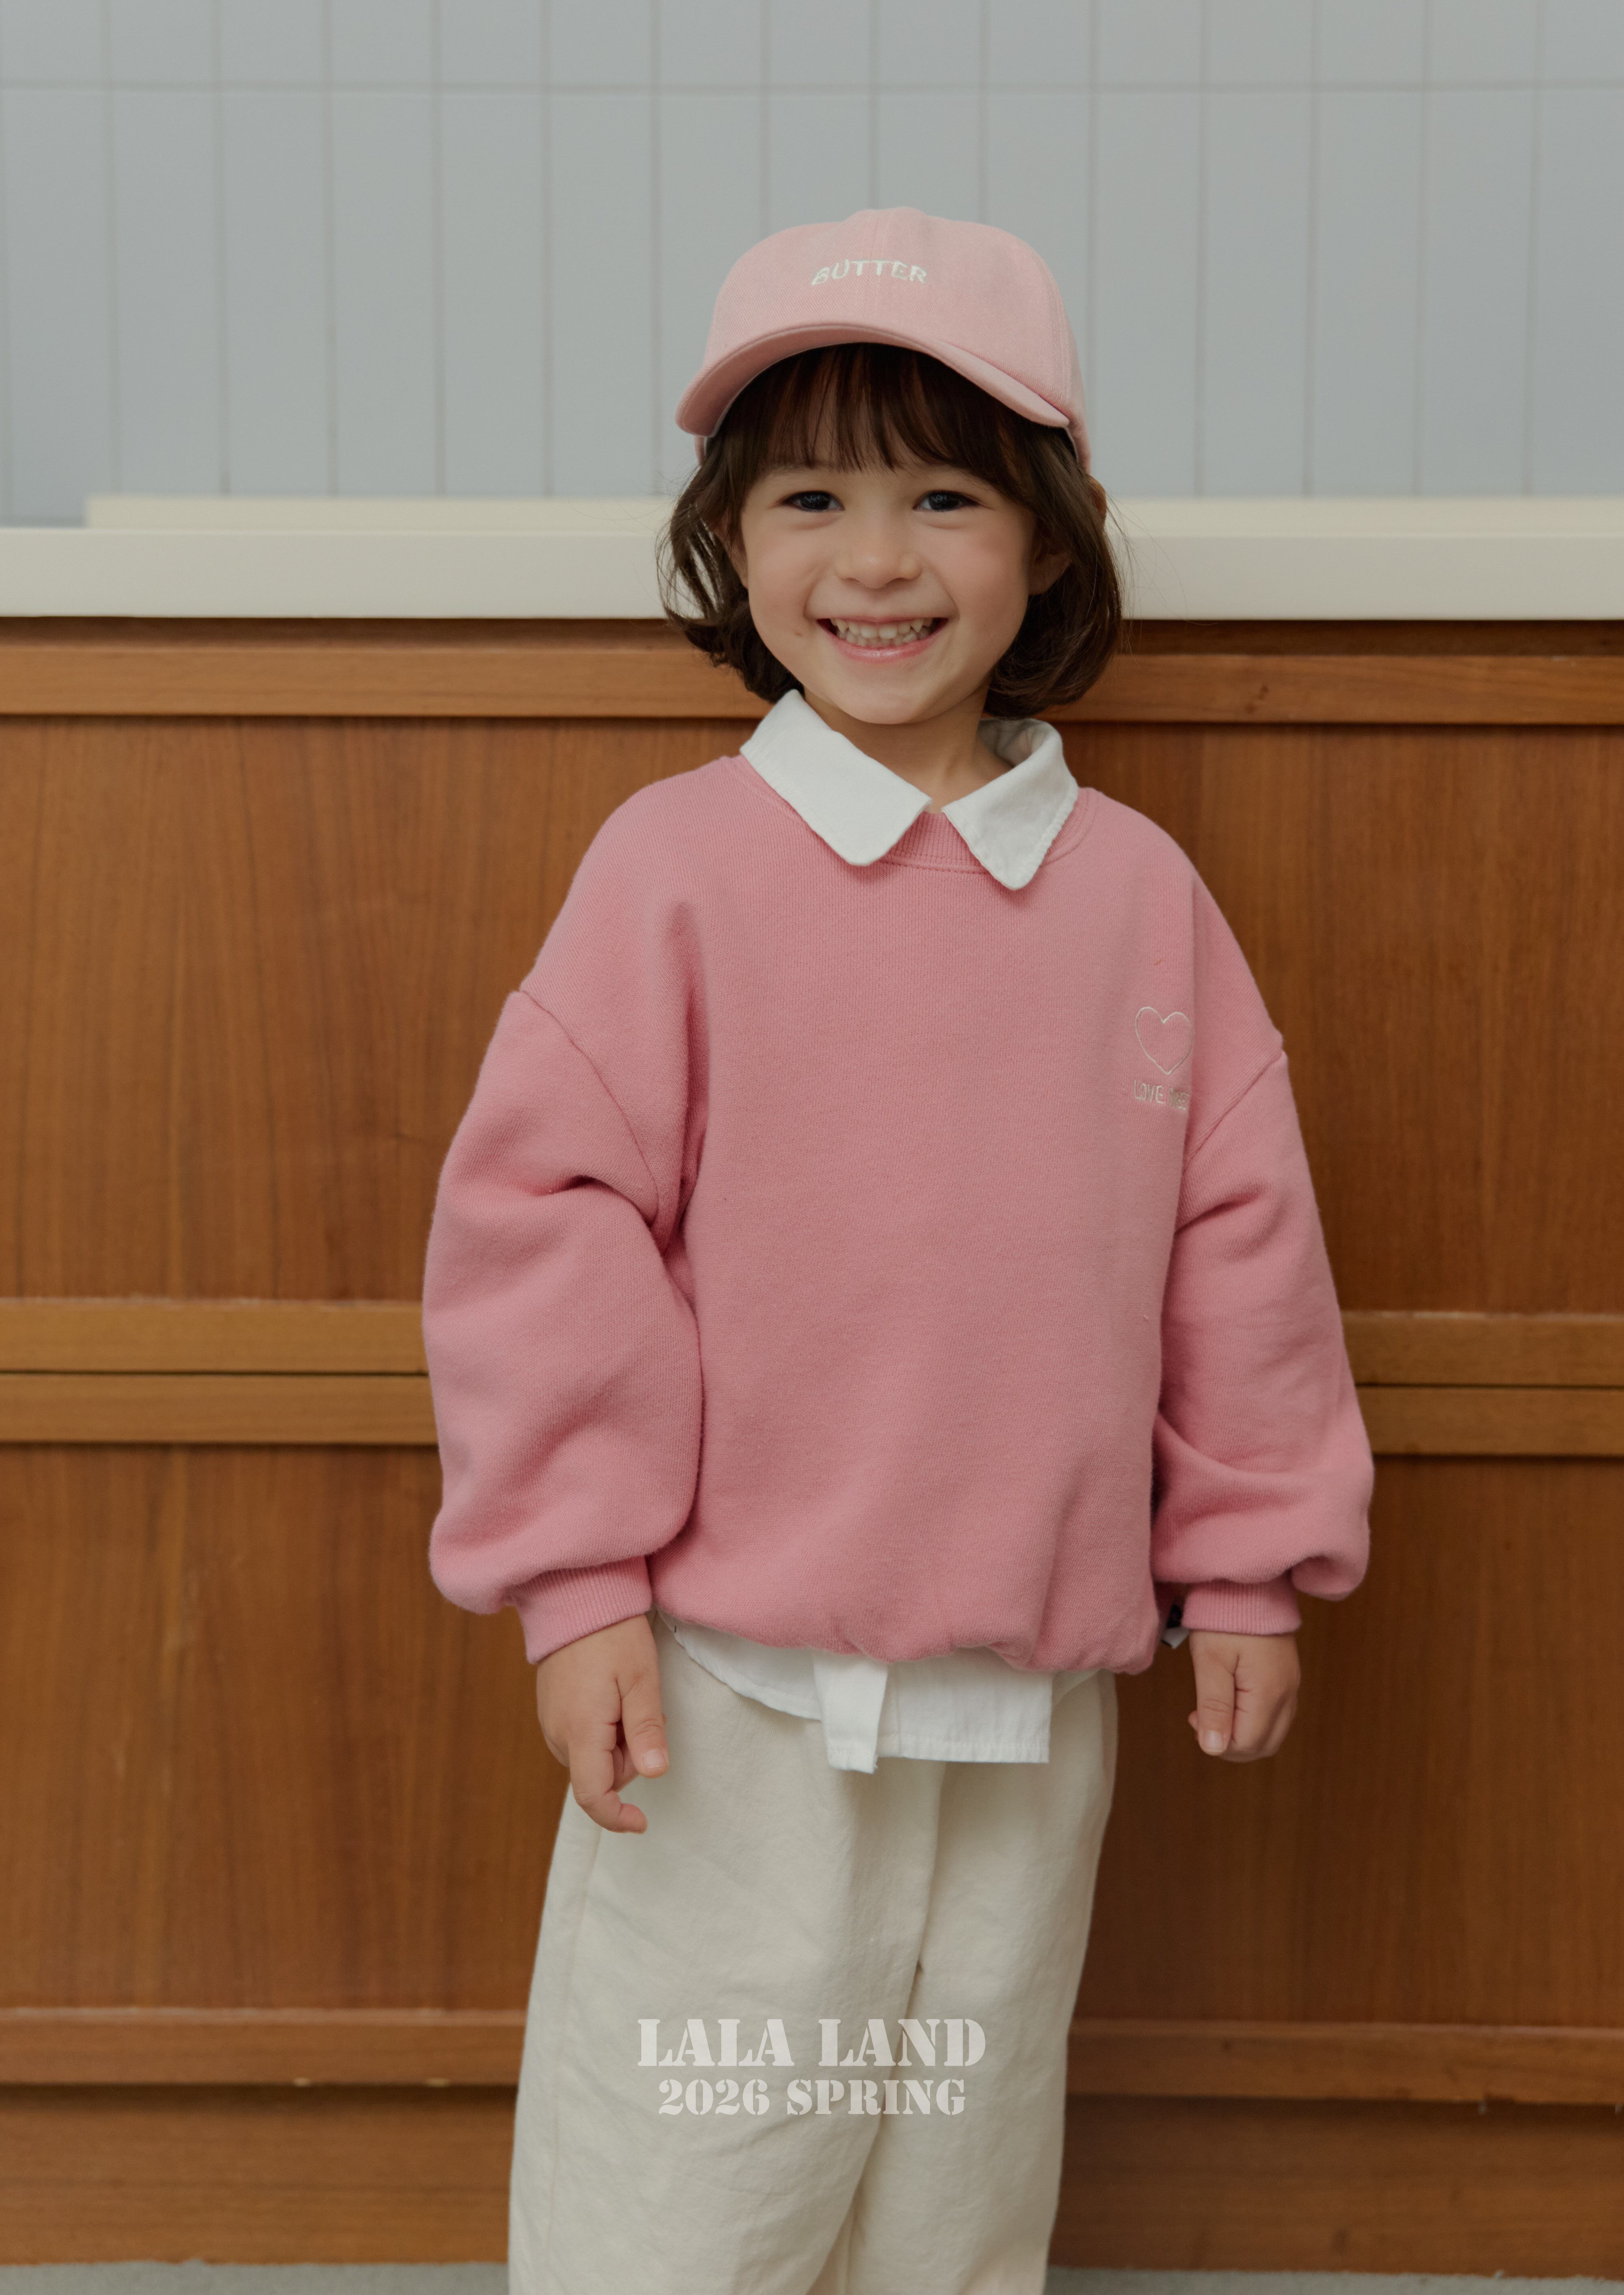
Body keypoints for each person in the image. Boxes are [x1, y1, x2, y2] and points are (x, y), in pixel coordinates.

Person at [421, 206, 1373, 2295]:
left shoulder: (1134, 895)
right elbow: (542, 1231)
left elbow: (1240, 1253)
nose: (875, 560)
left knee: (957, 2180)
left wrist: (1245, 1566)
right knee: (690, 2178)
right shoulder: (675, 870)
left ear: (1045, 540)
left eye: (943, 497)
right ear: (729, 541)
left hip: (1032, 1704)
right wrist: (573, 1584)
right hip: (732, 1696)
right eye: (811, 500)